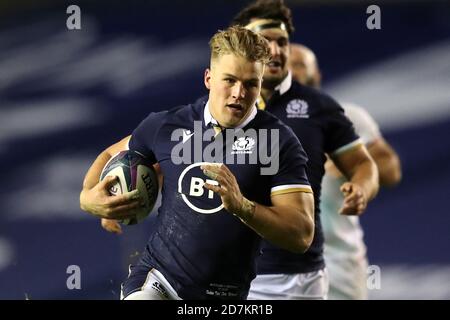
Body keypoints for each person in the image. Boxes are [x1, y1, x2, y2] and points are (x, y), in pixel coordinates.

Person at [79, 26, 315, 300]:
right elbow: (110, 155)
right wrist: (88, 198)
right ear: (208, 78)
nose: (239, 93)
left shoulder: (277, 141)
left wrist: (243, 207)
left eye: (251, 83)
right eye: (229, 80)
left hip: (226, 294)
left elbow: (301, 235)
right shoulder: (167, 125)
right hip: (159, 280)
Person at [231, 0, 379, 299]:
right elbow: (169, 153)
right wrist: (125, 189)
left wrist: (362, 188)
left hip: (297, 276)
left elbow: (364, 164)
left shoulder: (318, 107)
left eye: (282, 42)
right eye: (264, 42)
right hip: (227, 270)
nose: (275, 51)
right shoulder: (220, 105)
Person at [290, 43, 402, 299]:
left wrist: (354, 163)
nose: (291, 71)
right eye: (283, 64)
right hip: (272, 273)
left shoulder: (345, 118)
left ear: (315, 75)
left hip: (337, 271)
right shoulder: (256, 125)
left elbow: (390, 170)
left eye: (299, 64)